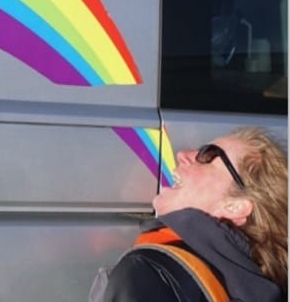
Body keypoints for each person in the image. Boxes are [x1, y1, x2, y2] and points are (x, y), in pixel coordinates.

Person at [91, 127, 288, 302]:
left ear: (234, 206)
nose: (182, 154)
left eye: (209, 156)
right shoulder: (266, 285)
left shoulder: (150, 270)